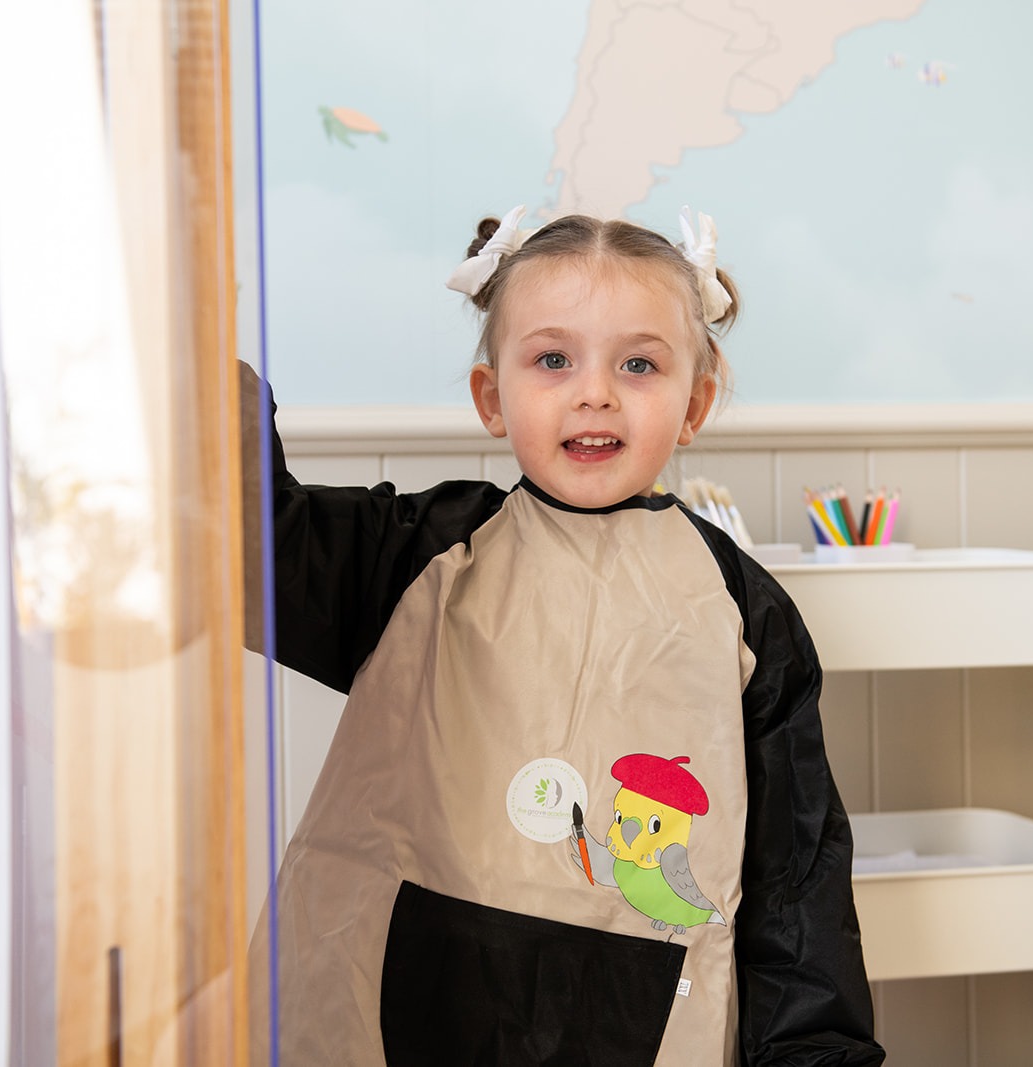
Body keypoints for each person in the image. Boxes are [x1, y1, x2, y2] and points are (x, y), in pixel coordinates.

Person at [248, 206, 884, 1065]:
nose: (596, 391)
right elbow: (255, 547)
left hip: (638, 1009)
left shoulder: (744, 614)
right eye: (553, 358)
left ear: (694, 402)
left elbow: (794, 884)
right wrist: (205, 381)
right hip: (411, 990)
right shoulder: (417, 559)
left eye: (638, 364)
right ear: (491, 396)